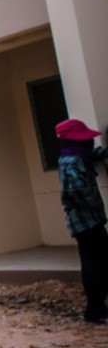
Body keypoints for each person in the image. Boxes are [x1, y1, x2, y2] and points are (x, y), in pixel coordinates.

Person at [55, 118, 107, 323]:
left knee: (97, 262)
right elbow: (77, 190)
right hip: (85, 222)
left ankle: (97, 309)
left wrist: (101, 154)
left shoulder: (74, 156)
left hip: (88, 220)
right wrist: (93, 205)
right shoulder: (72, 160)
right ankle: (96, 311)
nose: (89, 142)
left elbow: (88, 158)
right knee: (95, 265)